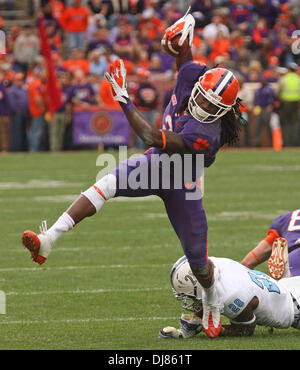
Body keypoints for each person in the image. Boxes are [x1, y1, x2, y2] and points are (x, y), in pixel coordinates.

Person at [21, 12, 244, 339]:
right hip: (156, 164)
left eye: (211, 106)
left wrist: (124, 99)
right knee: (106, 183)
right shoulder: (194, 76)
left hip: (182, 179)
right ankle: (48, 239)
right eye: (202, 97)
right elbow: (183, 56)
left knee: (198, 261)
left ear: (222, 112)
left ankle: (211, 298)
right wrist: (182, 35)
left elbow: (153, 137)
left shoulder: (206, 135)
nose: (201, 105)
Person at [159, 255, 300, 339]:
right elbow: (211, 293)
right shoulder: (216, 265)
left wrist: (217, 329)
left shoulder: (232, 296)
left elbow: (246, 329)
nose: (190, 300)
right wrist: (195, 320)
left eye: (189, 295)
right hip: (286, 286)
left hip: (295, 309)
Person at [241, 209, 300, 280]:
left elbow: (247, 263)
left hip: (291, 257)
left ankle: (285, 277)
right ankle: (287, 277)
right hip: (295, 256)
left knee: (289, 285)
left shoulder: (287, 217)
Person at [278, 63, 300, 147]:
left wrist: (281, 98)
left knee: (284, 123)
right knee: (294, 123)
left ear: (288, 70)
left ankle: (286, 143)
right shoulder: (298, 79)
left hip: (285, 104)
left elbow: (278, 91)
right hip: (296, 104)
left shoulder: (284, 79)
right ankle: (294, 143)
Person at [253, 78, 275, 147]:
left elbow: (272, 98)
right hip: (259, 109)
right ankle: (257, 143)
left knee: (268, 126)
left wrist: (270, 105)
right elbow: (256, 100)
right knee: (257, 126)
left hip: (266, 109)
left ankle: (272, 143)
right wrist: (255, 106)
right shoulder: (258, 90)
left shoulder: (269, 89)